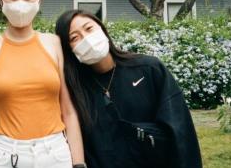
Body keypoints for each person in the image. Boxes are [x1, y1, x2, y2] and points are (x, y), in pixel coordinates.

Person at [0, 0, 86, 168]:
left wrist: (78, 163)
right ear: (1, 1)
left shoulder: (54, 43)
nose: (20, 3)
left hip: (55, 154)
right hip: (8, 156)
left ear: (39, 0)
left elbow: (68, 111)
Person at [55, 10, 202, 168]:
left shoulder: (149, 69)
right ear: (69, 49)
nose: (86, 39)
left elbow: (181, 131)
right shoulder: (74, 91)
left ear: (103, 29)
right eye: (74, 38)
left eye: (89, 29)